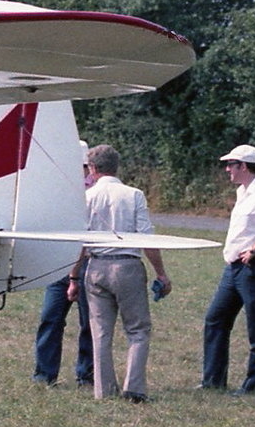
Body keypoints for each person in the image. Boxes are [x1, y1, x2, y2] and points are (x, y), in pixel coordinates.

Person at [67, 145, 170, 402]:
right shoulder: (134, 195)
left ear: (92, 168)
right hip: (127, 265)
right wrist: (161, 273)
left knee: (100, 332)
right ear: (116, 167)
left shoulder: (88, 197)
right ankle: (134, 388)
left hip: (96, 266)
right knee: (138, 330)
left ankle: (103, 390)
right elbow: (146, 237)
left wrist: (73, 276)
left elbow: (81, 241)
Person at [201, 145, 255, 394]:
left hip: (253, 267)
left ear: (244, 166)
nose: (227, 169)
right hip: (234, 268)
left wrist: (254, 248)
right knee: (215, 319)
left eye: (231, 164)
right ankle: (212, 381)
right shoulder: (244, 192)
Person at [34, 142, 96, 386]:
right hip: (60, 263)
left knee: (89, 323)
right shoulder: (57, 191)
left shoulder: (93, 191)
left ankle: (86, 374)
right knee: (50, 318)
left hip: (87, 265)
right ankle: (45, 374)